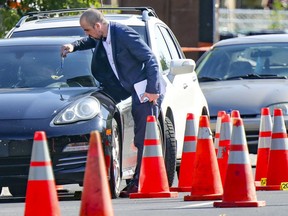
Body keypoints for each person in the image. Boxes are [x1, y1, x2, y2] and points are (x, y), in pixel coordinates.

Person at [61, 8, 165, 198]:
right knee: (138, 134)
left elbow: (150, 58)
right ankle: (136, 179)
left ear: (98, 25)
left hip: (145, 88)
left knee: (143, 135)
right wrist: (73, 46)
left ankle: (141, 182)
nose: (86, 34)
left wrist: (152, 90)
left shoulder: (123, 34)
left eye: (87, 29)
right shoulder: (101, 36)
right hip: (127, 87)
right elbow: (89, 41)